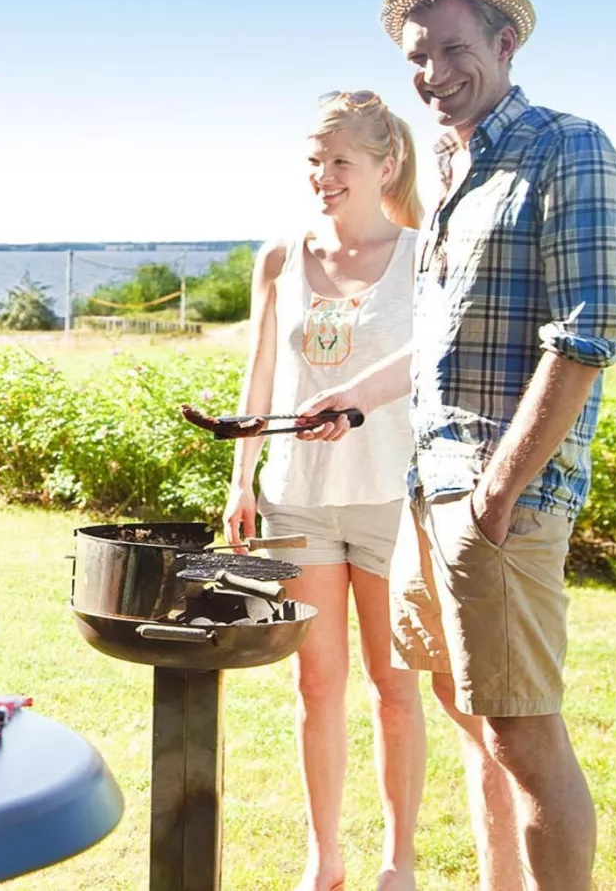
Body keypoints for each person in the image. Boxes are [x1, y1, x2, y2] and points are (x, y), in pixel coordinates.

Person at [301, 0, 616, 891]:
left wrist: (495, 497)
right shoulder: (454, 171)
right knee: (476, 719)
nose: (433, 73)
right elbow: (445, 343)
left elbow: (583, 340)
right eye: (418, 56)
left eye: (454, 50)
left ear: (505, 42)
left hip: (498, 498)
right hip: (429, 486)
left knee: (525, 738)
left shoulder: (571, 148)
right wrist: (359, 396)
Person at [224, 91, 425, 891]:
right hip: (298, 497)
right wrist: (241, 481)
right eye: (314, 161)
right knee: (317, 683)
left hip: (390, 499)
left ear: (387, 164)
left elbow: (429, 365)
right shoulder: (280, 257)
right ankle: (326, 859)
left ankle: (398, 862)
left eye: (340, 161)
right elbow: (259, 371)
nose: (324, 177)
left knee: (395, 686)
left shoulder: (424, 253)